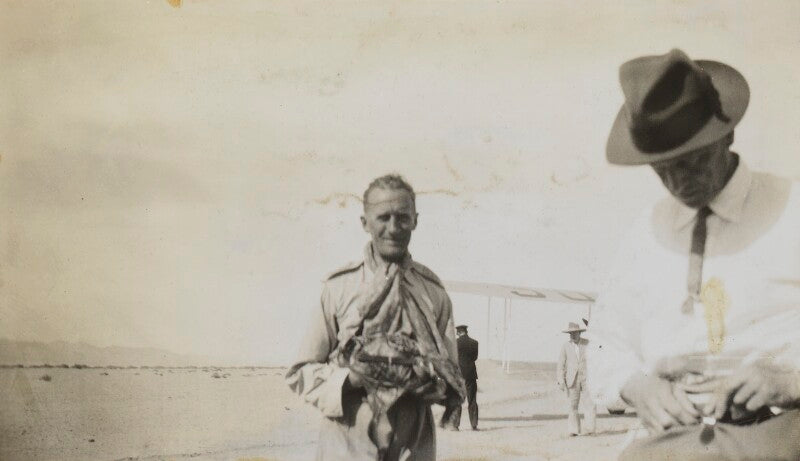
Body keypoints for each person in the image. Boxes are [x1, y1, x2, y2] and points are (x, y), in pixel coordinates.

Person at [587, 48, 800, 460]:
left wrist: (789, 381)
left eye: (693, 161)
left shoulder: (792, 210)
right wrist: (636, 385)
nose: (677, 182)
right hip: (669, 440)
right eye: (661, 167)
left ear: (727, 134)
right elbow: (603, 342)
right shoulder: (644, 235)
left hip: (781, 431)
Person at [286, 174, 465, 461]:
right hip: (347, 440)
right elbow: (300, 372)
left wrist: (425, 379)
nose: (393, 228)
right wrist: (351, 378)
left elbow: (452, 377)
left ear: (415, 220)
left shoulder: (433, 293)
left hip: (414, 440)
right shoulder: (339, 288)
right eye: (383, 217)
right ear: (365, 222)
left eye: (403, 218)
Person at [557, 321, 596, 436]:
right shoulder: (565, 346)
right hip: (572, 380)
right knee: (572, 406)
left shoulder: (588, 344)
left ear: (579, 333)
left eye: (575, 333)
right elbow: (561, 365)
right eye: (570, 333)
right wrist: (561, 381)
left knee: (590, 404)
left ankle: (590, 429)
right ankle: (574, 430)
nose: (572, 335)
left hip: (587, 379)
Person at [441, 325, 480, 430]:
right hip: (471, 374)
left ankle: (456, 425)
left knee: (458, 399)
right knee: (472, 400)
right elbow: (475, 357)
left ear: (458, 332)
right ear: (466, 331)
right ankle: (474, 424)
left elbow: (452, 358)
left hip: (459, 375)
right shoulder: (474, 343)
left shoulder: (455, 344)